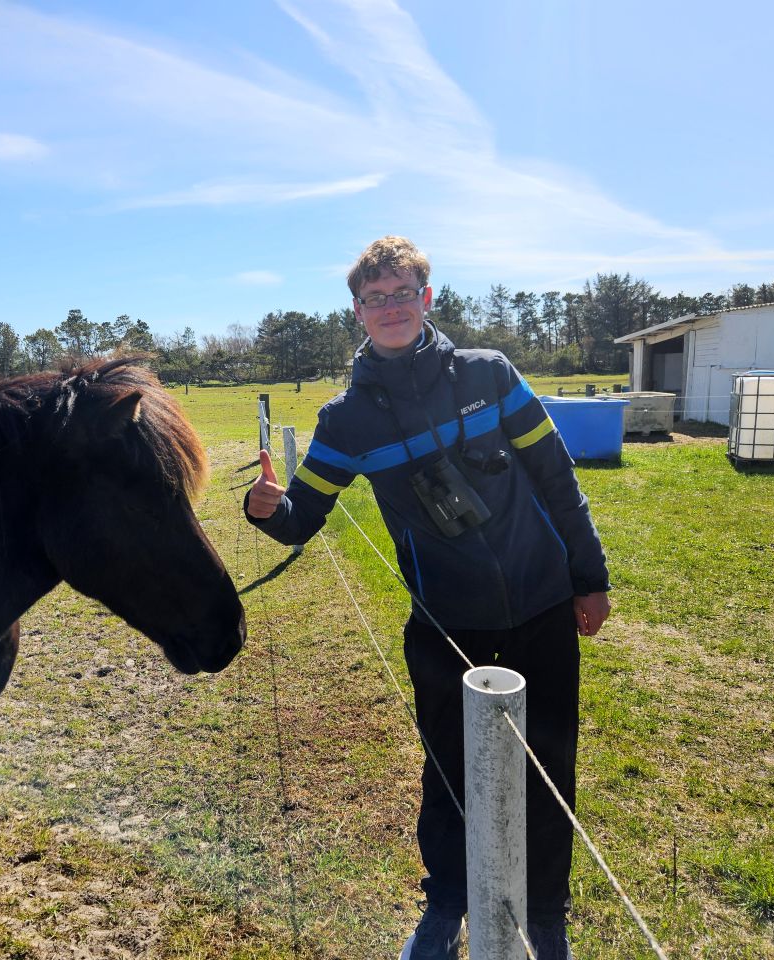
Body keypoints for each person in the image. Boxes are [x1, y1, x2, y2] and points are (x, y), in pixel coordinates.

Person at [244, 236, 610, 960]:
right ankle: (445, 907)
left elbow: (556, 477)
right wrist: (264, 509)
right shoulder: (346, 421)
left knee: (550, 763)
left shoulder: (492, 376)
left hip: (541, 607)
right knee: (446, 771)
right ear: (356, 311)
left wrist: (588, 577)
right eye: (374, 298)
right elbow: (299, 522)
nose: (389, 307)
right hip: (444, 623)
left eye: (401, 292)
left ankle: (546, 915)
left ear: (427, 298)